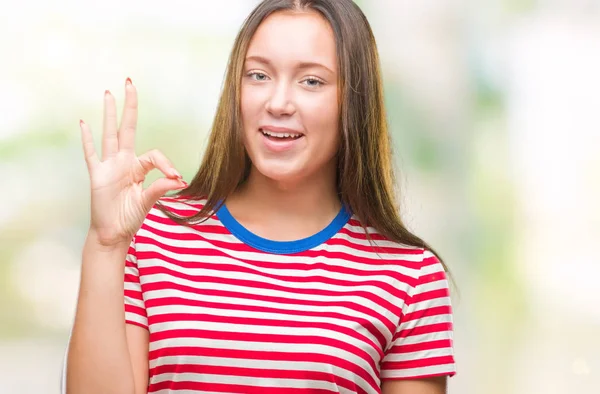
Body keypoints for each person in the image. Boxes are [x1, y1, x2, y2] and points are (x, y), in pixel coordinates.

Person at [63, 0, 456, 393]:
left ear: (352, 102)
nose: (278, 103)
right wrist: (106, 242)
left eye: (311, 81)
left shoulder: (408, 275)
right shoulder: (155, 238)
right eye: (258, 75)